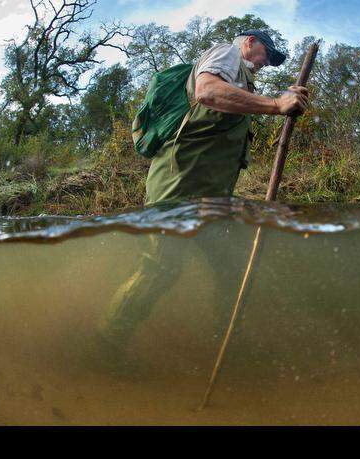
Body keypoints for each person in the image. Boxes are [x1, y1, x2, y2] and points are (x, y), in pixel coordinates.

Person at [92, 30, 309, 373]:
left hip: (212, 195)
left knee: (230, 268)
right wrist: (275, 104)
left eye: (270, 61)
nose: (266, 63)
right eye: (266, 54)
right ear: (249, 41)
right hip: (179, 187)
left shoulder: (242, 79)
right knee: (162, 268)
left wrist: (281, 103)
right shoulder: (227, 54)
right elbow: (208, 92)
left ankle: (226, 347)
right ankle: (105, 347)